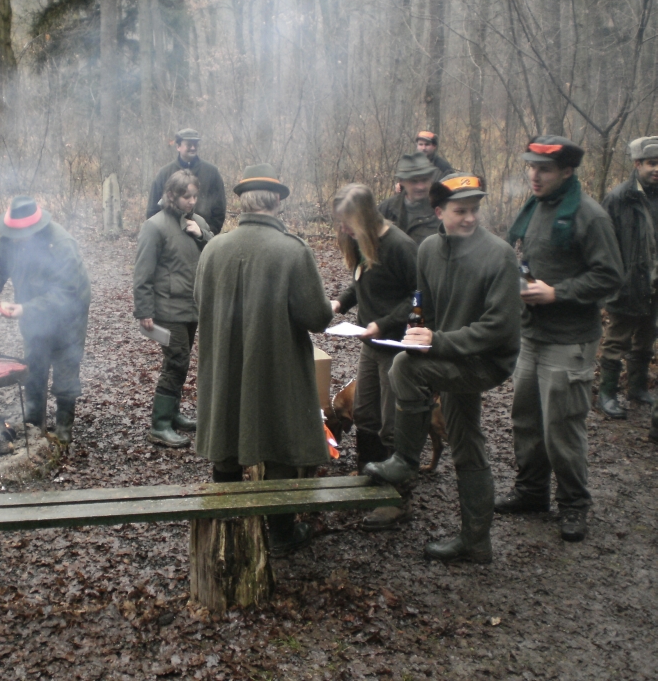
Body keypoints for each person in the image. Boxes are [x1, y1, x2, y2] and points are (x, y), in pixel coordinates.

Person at [364, 173, 522, 563]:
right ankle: (476, 542)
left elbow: (500, 326)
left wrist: (436, 343)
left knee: (404, 368)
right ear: (439, 212)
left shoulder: (499, 254)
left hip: (486, 361)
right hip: (450, 356)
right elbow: (426, 308)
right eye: (460, 211)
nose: (470, 218)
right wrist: (420, 336)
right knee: (466, 441)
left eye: (474, 210)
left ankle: (405, 461)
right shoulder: (429, 250)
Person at [194, 165, 334, 555]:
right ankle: (281, 534)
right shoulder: (292, 250)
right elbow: (317, 317)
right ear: (277, 204)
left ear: (242, 203)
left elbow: (199, 302)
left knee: (225, 436)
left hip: (223, 364)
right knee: (279, 442)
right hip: (276, 367)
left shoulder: (213, 249)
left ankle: (226, 528)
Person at [497, 136, 623, 544]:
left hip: (570, 341)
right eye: (531, 167)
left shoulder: (589, 215)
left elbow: (610, 276)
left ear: (567, 171)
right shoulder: (536, 206)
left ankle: (573, 504)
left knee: (562, 428)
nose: (534, 176)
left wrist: (557, 292)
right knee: (526, 420)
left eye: (544, 169)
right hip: (532, 333)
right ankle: (531, 492)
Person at [330, 184, 418, 529]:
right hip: (370, 343)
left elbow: (419, 297)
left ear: (365, 216)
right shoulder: (361, 242)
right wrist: (339, 302)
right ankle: (369, 477)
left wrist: (384, 323)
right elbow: (360, 283)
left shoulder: (400, 246)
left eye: (347, 221)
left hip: (397, 348)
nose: (343, 229)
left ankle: (397, 499)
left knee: (392, 422)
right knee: (365, 413)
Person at [0, 197, 91, 446]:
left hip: (69, 313)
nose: (14, 239)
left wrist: (26, 309)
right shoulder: (9, 237)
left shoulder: (61, 244)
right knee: (34, 365)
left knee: (66, 366)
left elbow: (67, 294)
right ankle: (33, 424)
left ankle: (63, 428)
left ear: (34, 229)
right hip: (31, 310)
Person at [134, 170, 214, 448]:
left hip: (193, 306)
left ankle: (173, 414)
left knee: (182, 361)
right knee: (176, 362)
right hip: (167, 309)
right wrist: (144, 310)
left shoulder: (197, 222)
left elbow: (216, 251)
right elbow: (142, 273)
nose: (191, 201)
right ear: (171, 195)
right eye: (185, 196)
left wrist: (201, 234)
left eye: (194, 196)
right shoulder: (154, 226)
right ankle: (160, 424)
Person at [597, 136, 658, 418]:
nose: (656, 169)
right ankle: (607, 393)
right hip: (627, 282)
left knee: (646, 338)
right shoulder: (619, 197)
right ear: (637, 164)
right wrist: (612, 280)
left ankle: (637, 388)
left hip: (654, 283)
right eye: (651, 163)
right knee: (616, 340)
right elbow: (604, 243)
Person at [146, 128, 227, 234]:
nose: (193, 148)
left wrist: (207, 233)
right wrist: (163, 235)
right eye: (189, 145)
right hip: (170, 236)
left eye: (195, 145)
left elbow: (219, 209)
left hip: (203, 234)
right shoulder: (164, 173)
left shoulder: (211, 172)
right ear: (178, 146)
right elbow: (152, 210)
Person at [379, 152, 442, 245]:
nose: (421, 187)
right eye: (414, 181)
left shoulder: (441, 209)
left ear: (431, 178)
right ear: (401, 181)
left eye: (425, 180)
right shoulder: (387, 208)